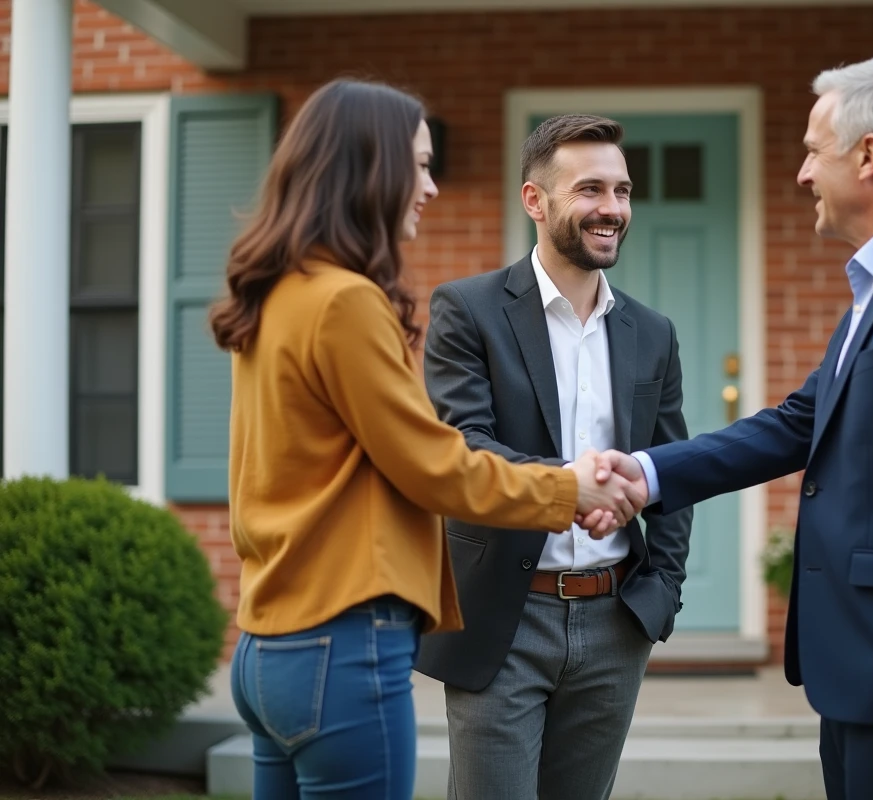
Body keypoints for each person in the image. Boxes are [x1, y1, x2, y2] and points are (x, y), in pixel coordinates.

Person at [595, 58, 873, 800]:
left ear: (867, 156)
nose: (801, 174)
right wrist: (651, 473)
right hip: (861, 672)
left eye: (811, 151)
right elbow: (802, 422)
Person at [208, 79, 642, 800]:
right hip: (341, 643)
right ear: (370, 169)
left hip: (269, 646)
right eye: (419, 164)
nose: (432, 188)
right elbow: (433, 466)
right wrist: (569, 488)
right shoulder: (345, 300)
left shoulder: (280, 290)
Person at [415, 113, 694, 800]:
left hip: (614, 622)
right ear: (535, 202)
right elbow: (466, 447)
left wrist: (658, 596)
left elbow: (673, 469)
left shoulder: (652, 334)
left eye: (623, 192)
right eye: (591, 190)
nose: (613, 210)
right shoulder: (468, 310)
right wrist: (574, 489)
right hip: (503, 621)